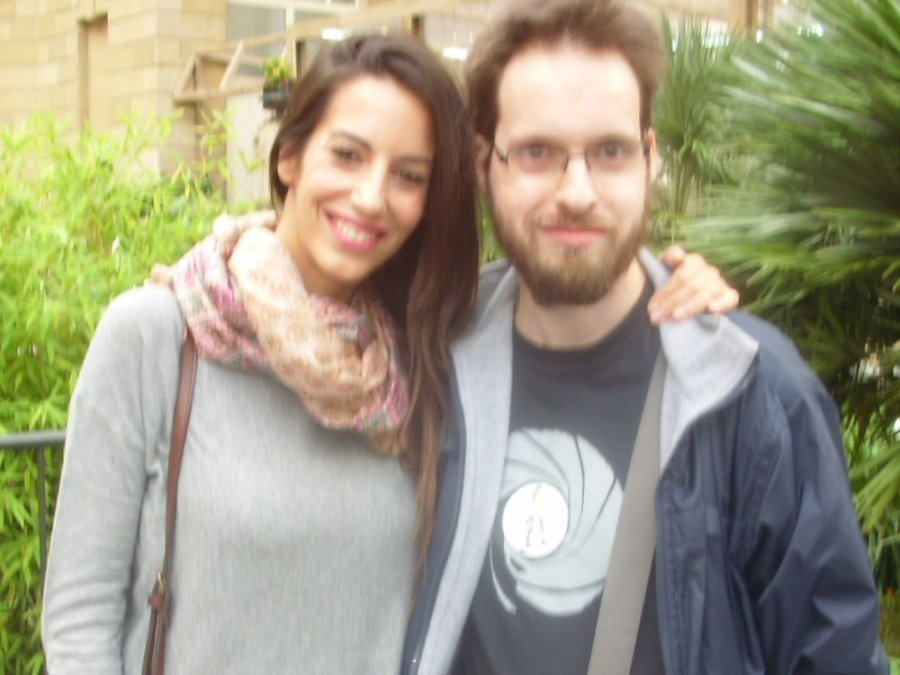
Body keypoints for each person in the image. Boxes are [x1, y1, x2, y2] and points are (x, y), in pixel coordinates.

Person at [41, 31, 734, 674]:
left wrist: (672, 285)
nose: (372, 197)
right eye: (347, 155)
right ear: (289, 157)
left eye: (409, 175)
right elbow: (78, 617)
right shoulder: (159, 337)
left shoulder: (426, 353)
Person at [401, 1, 889, 674]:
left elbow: (831, 654)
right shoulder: (428, 358)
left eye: (610, 151)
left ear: (650, 159)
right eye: (538, 152)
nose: (577, 192)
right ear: (485, 164)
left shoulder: (752, 394)